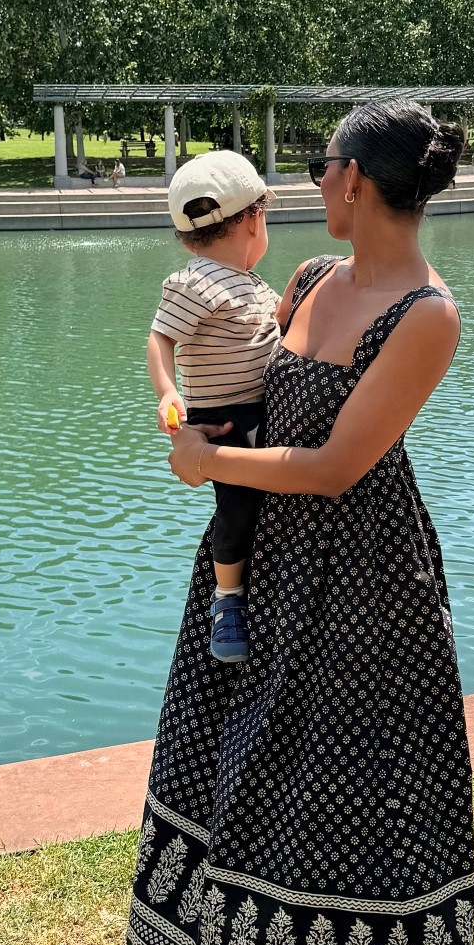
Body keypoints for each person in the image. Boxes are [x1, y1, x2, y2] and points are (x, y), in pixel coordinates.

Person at [128, 99, 474, 945]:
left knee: (388, 796)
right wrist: (188, 415)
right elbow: (244, 394)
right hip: (270, 576)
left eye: (320, 163)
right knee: (252, 771)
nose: (308, 182)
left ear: (356, 180)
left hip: (367, 587)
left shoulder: (425, 313)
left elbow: (337, 463)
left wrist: (209, 468)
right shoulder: (310, 286)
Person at [146, 151, 279, 662]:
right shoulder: (196, 281)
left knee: (261, 502)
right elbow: (159, 340)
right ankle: (228, 600)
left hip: (261, 411)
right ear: (253, 220)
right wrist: (168, 392)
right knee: (238, 508)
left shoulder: (251, 284)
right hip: (224, 419)